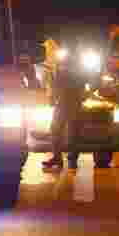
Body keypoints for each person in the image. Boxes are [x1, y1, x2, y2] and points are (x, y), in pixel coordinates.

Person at [42, 41, 89, 171]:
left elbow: (88, 80)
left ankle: (71, 160)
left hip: (73, 102)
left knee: (72, 132)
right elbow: (56, 81)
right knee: (56, 130)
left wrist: (84, 94)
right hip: (62, 102)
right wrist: (53, 96)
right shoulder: (61, 64)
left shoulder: (78, 65)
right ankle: (59, 158)